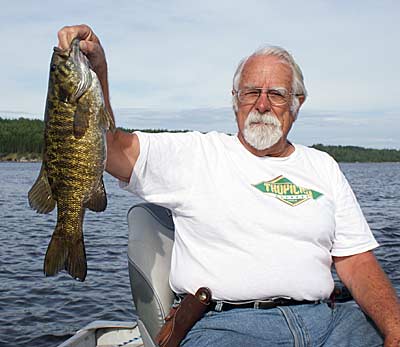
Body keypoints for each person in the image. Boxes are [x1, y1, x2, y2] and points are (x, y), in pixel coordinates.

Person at [57, 24, 400, 346]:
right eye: (251, 92)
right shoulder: (196, 153)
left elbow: (357, 262)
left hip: (330, 323)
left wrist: (395, 331)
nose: (262, 104)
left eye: (276, 94)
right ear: (235, 99)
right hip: (228, 325)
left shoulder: (323, 166)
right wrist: (98, 70)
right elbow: (108, 148)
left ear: (297, 103)